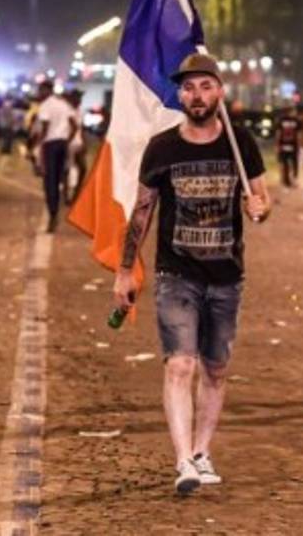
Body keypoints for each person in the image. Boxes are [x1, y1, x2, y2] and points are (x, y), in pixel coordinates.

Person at [111, 52, 269, 495]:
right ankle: (183, 460)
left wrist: (260, 209)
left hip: (226, 275)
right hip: (175, 274)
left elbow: (261, 199)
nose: (196, 95)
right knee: (180, 364)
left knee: (215, 368)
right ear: (179, 95)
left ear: (220, 91)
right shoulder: (162, 147)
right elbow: (142, 211)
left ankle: (202, 451)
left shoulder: (241, 143)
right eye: (188, 88)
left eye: (204, 86)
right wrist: (125, 270)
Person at [33, 81, 78, 232]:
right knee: (59, 179)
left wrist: (38, 145)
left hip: (50, 145)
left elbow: (44, 128)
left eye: (40, 90)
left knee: (49, 181)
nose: (38, 93)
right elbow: (74, 125)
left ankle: (53, 214)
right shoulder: (63, 104)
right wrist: (67, 140)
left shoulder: (45, 106)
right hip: (62, 144)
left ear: (46, 90)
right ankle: (56, 209)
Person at [64, 88, 87, 204]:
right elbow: (72, 128)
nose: (80, 100)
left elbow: (81, 129)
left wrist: (84, 143)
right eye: (78, 97)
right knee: (67, 170)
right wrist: (66, 143)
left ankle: (75, 195)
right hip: (69, 143)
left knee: (82, 169)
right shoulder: (67, 110)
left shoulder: (80, 111)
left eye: (81, 97)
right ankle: (66, 196)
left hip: (77, 143)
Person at [276, 106, 299, 188]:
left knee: (286, 163)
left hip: (285, 145)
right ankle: (290, 180)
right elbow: (298, 134)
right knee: (292, 164)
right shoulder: (295, 120)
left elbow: (278, 133)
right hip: (291, 145)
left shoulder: (281, 120)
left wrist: (278, 145)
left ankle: (287, 181)